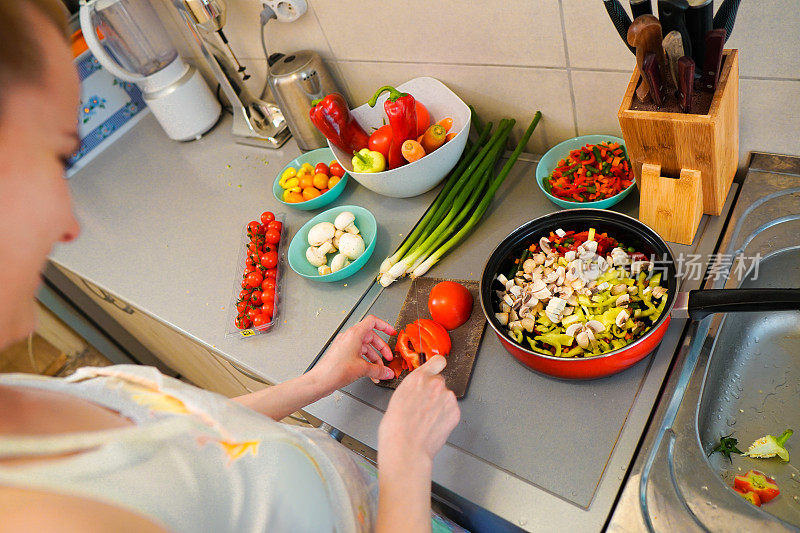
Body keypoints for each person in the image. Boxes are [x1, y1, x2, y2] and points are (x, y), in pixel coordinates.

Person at [0, 1, 462, 531]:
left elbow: (198, 436)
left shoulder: (21, 402)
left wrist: (313, 382)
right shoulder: (51, 518)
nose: (70, 225)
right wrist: (406, 462)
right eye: (54, 159)